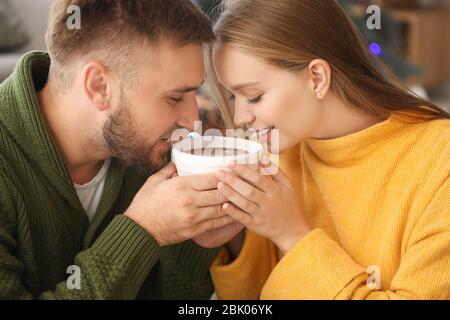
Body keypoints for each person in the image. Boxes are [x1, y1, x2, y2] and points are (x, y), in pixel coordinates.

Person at [206, 0, 450, 299]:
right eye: (234, 97)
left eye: (254, 96)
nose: (242, 117)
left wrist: (292, 235)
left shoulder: (441, 163)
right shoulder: (279, 152)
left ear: (317, 78)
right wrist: (235, 238)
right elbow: (249, 297)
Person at [0, 0, 233, 299]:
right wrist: (142, 230)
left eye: (194, 93)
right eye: (175, 98)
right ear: (99, 86)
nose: (192, 121)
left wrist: (199, 240)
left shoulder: (146, 151)